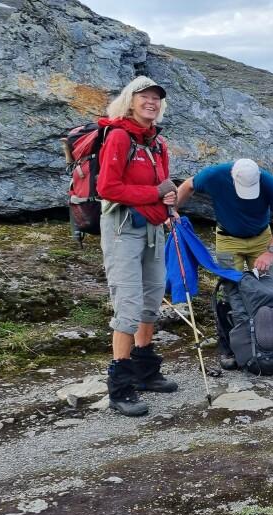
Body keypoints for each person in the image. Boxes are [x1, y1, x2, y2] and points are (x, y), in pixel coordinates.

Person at [95, 76, 179, 417]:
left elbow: (163, 186)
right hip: (122, 230)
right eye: (144, 96)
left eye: (157, 97)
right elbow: (107, 187)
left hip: (154, 229)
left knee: (150, 299)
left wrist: (169, 204)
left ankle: (145, 369)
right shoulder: (118, 136)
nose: (152, 102)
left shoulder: (157, 144)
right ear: (130, 101)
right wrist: (157, 195)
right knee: (128, 306)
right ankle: (120, 384)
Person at [175, 158, 273, 368]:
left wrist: (270, 252)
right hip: (228, 238)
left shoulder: (267, 181)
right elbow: (188, 185)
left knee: (267, 291)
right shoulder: (214, 174)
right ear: (232, 177)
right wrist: (172, 211)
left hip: (261, 238)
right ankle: (232, 346)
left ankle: (270, 343)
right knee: (231, 292)